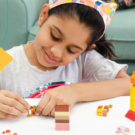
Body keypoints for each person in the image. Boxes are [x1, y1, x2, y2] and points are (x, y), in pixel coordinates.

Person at [0, 0, 131, 119]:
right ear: (43, 15)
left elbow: (129, 85)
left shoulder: (83, 58)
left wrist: (74, 91)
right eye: (54, 36)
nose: (56, 53)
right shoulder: (5, 59)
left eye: (71, 50)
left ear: (86, 49)